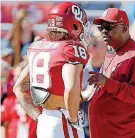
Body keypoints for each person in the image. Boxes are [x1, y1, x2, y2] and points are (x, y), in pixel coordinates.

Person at [13, 2, 90, 138]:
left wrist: (37, 116)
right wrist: (72, 120)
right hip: (63, 119)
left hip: (45, 120)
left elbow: (18, 87)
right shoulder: (70, 49)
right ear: (73, 25)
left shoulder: (38, 46)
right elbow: (71, 88)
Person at [87, 8, 135, 138]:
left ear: (124, 28)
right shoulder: (112, 53)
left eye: (109, 27)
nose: (104, 31)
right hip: (114, 131)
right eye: (102, 27)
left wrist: (107, 83)